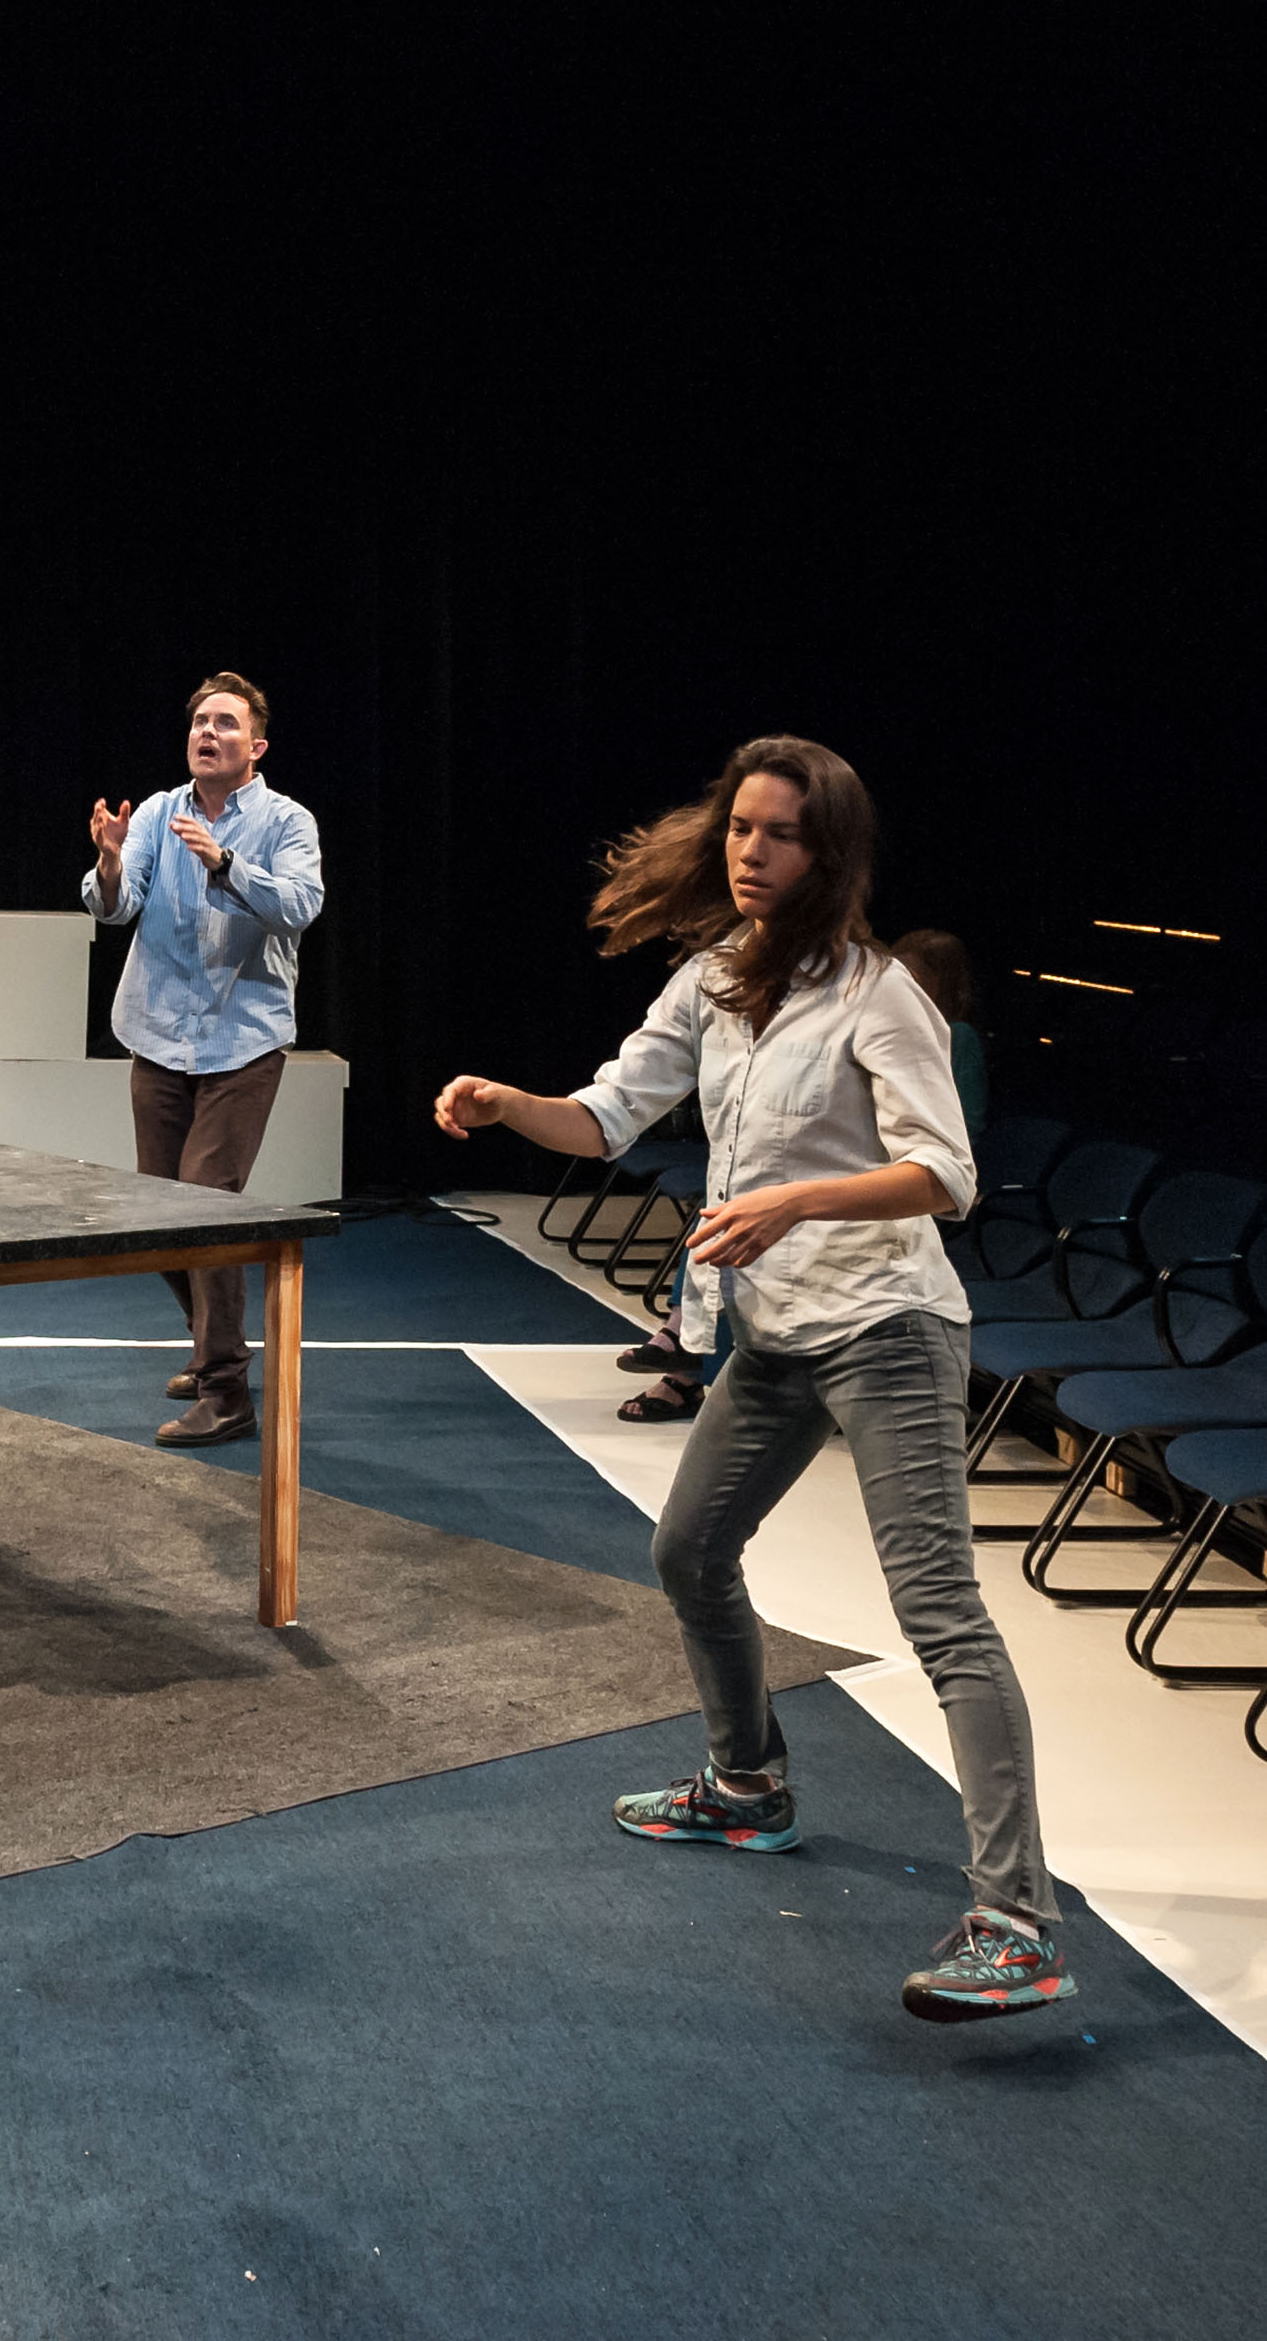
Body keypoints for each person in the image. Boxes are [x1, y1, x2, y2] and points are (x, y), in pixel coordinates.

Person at [434, 735, 1074, 2023]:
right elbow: (609, 1116)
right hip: (773, 1336)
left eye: (778, 834)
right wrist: (512, 1104)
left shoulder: (878, 994)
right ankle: (748, 1786)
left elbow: (946, 1177)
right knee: (690, 1551)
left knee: (939, 1609)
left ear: (826, 854)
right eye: (739, 828)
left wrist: (796, 1203)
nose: (750, 850)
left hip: (887, 1326)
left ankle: (1018, 1920)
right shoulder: (714, 980)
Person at [83, 672, 326, 1444]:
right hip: (156, 1035)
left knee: (203, 1204)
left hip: (242, 1041)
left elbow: (299, 906)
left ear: (255, 745)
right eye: (198, 721)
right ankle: (211, 1345)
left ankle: (226, 1392)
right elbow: (116, 908)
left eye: (224, 722)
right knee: (162, 1220)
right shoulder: (157, 812)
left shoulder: (289, 822)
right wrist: (114, 863)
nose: (206, 732)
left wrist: (225, 863)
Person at [888, 928, 989, 1135]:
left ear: (943, 982)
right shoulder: (883, 1028)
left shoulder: (958, 1036)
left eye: (911, 977)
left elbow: (967, 1123)